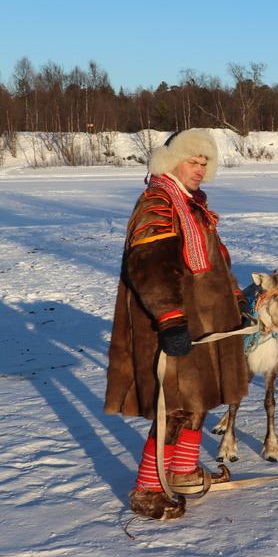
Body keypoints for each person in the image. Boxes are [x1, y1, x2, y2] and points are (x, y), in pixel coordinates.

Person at [104, 129, 249, 520]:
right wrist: (170, 319)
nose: (200, 169)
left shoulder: (191, 204)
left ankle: (183, 471)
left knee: (198, 399)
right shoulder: (158, 203)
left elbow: (217, 263)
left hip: (205, 322)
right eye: (192, 160)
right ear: (170, 161)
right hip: (173, 325)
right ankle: (149, 488)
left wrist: (237, 301)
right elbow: (149, 268)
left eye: (205, 162)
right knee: (177, 406)